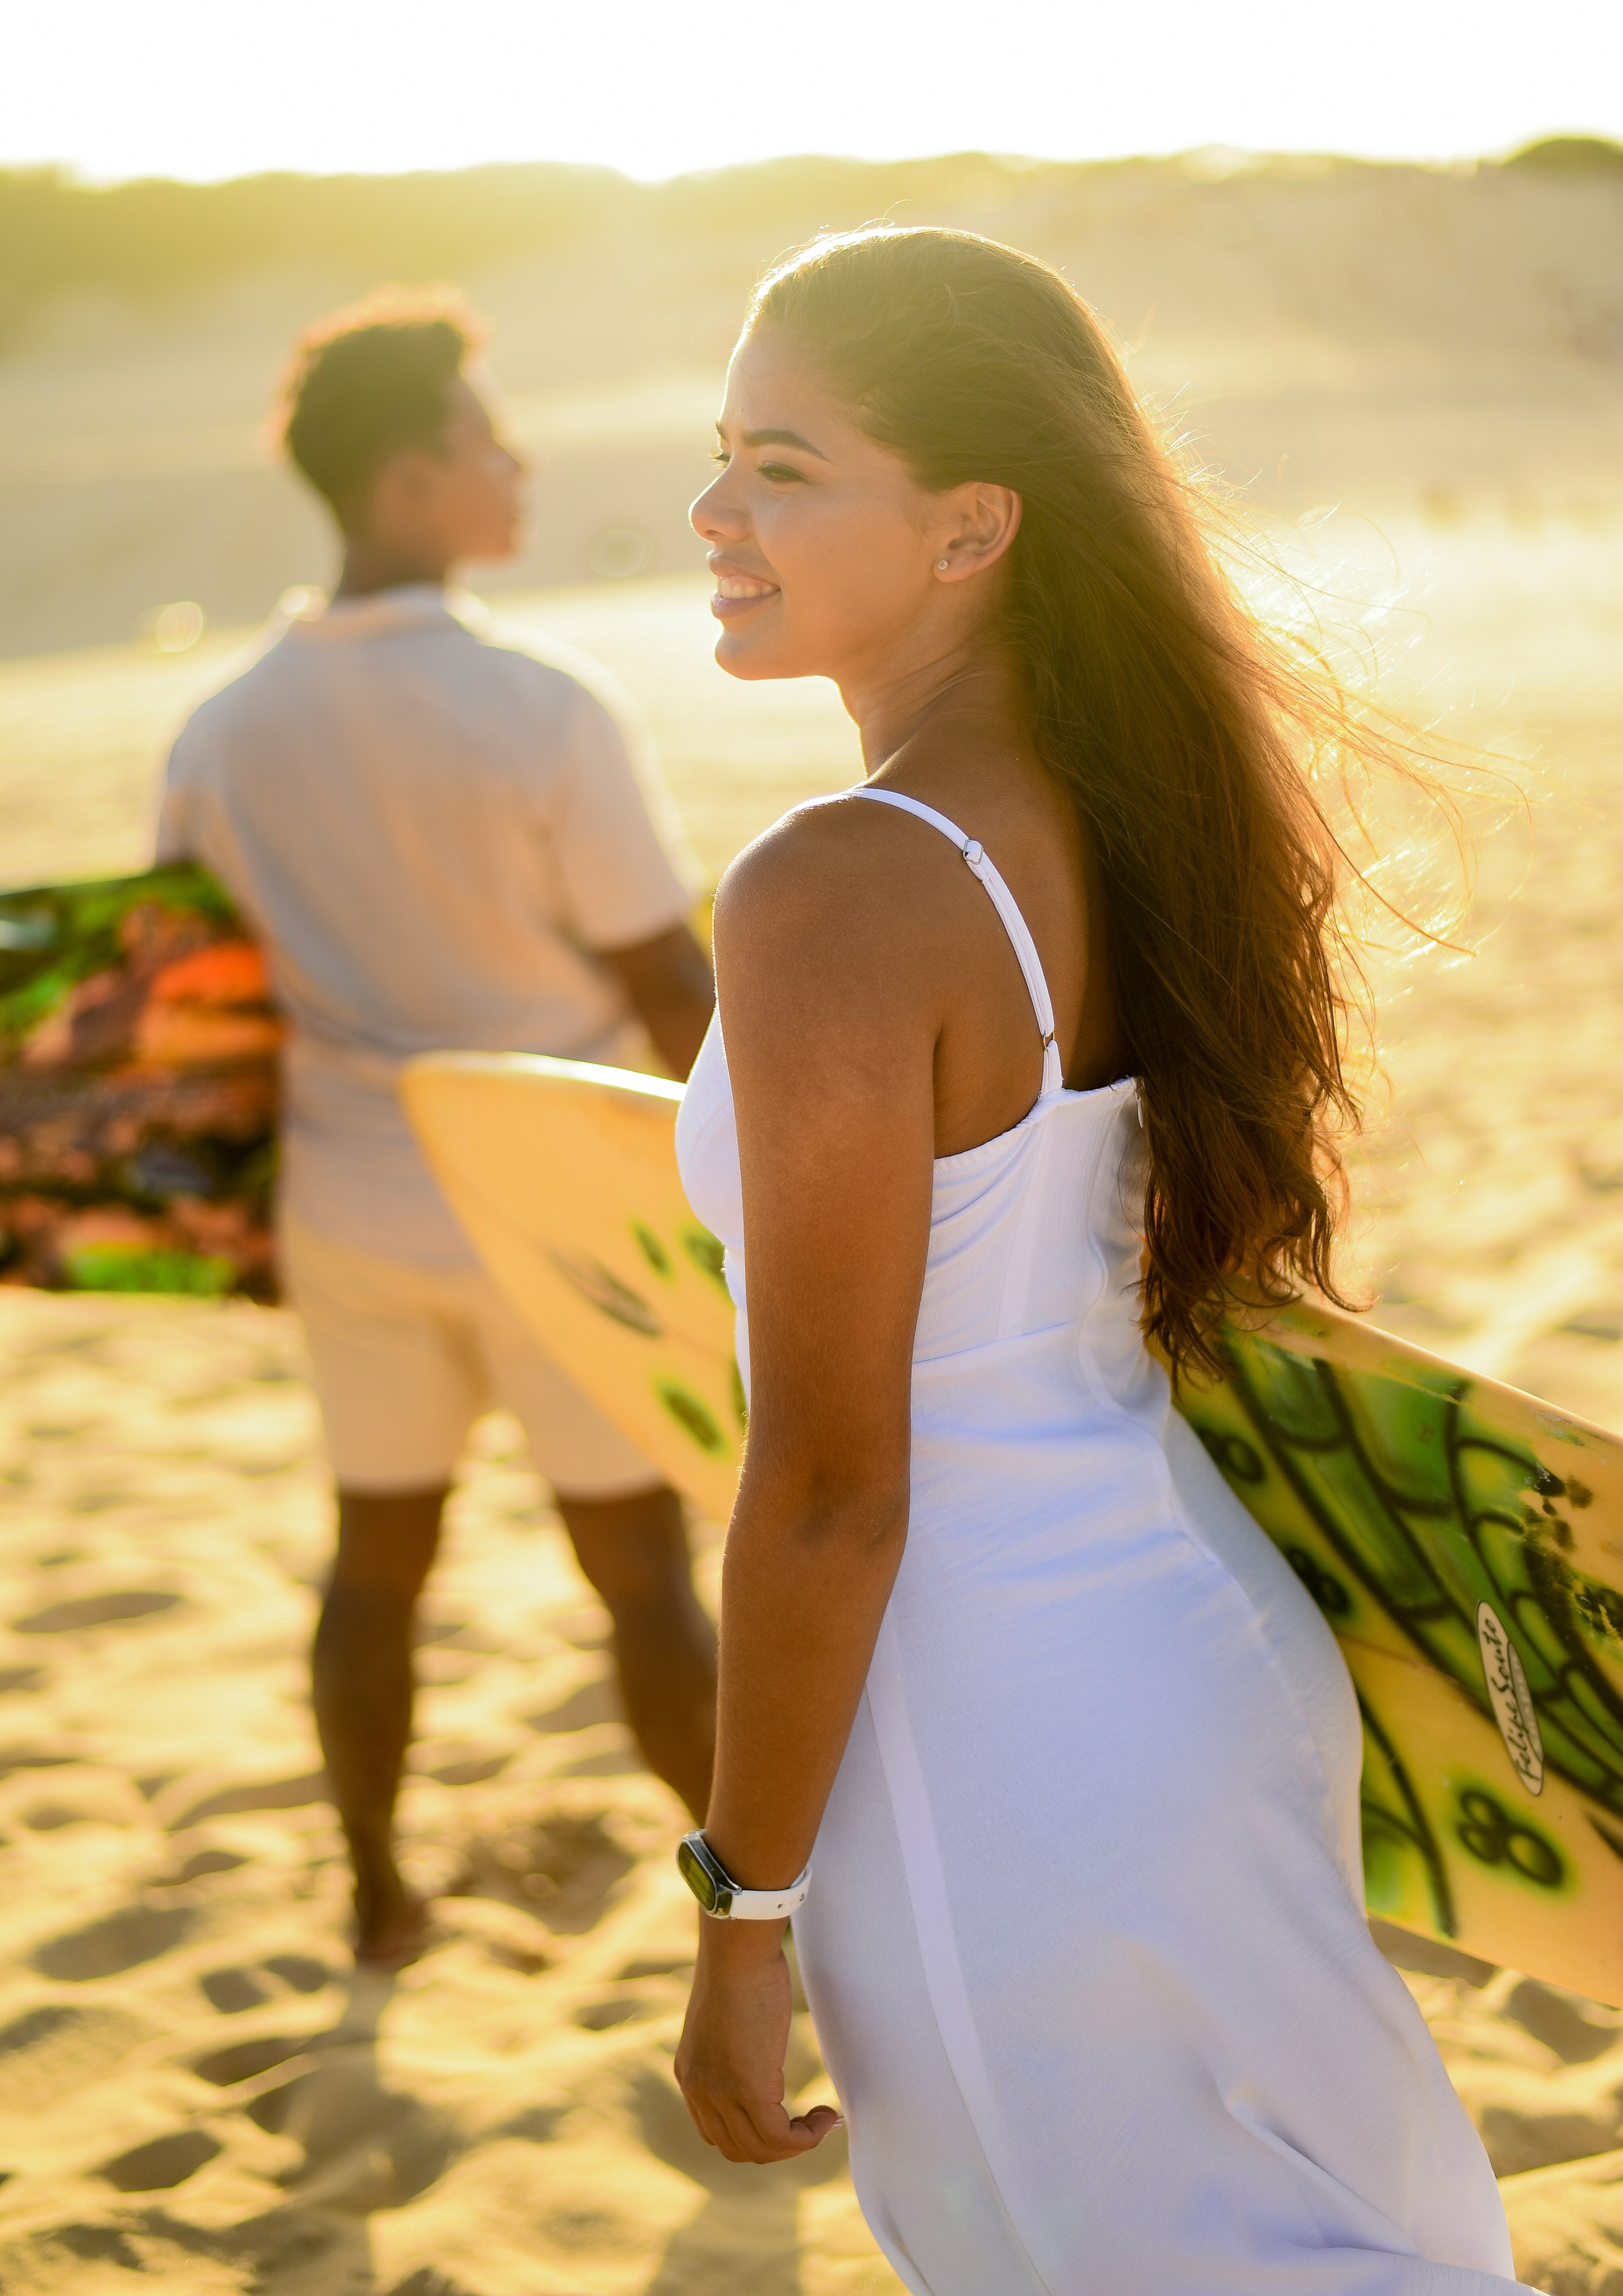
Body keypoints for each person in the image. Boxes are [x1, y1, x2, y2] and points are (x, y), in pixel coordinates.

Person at [669, 228, 1530, 2292]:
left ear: (972, 524)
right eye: (721, 454)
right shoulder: (1129, 814)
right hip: (1202, 1659)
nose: (710, 512)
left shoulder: (844, 885)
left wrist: (739, 1908)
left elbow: (829, 1488)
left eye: (783, 466)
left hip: (996, 1726)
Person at [157, 291, 718, 1966]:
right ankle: (740, 1910)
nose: (517, 462)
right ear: (408, 483)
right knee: (637, 1569)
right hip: (550, 1191)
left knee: (375, 1556)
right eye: (487, 439)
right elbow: (670, 980)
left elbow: (192, 1021)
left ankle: (378, 1893)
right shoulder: (542, 706)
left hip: (346, 1197)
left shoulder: (222, 729)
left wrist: (238, 1230)